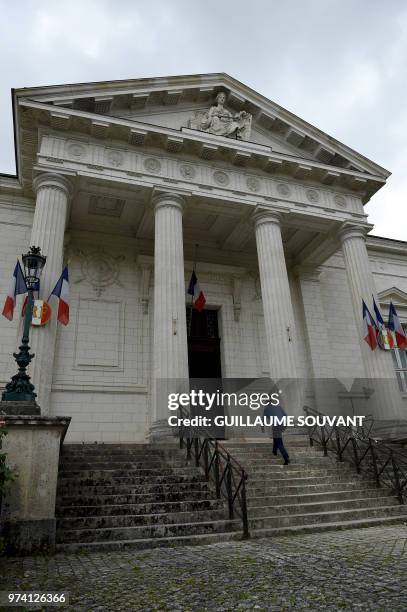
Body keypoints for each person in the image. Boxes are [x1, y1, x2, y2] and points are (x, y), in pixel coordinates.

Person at [262, 401, 290, 465]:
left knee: (279, 443)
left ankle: (286, 457)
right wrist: (285, 424)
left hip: (277, 425)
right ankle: (274, 450)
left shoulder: (266, 409)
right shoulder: (278, 407)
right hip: (282, 424)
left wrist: (262, 427)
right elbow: (285, 415)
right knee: (276, 437)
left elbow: (263, 419)